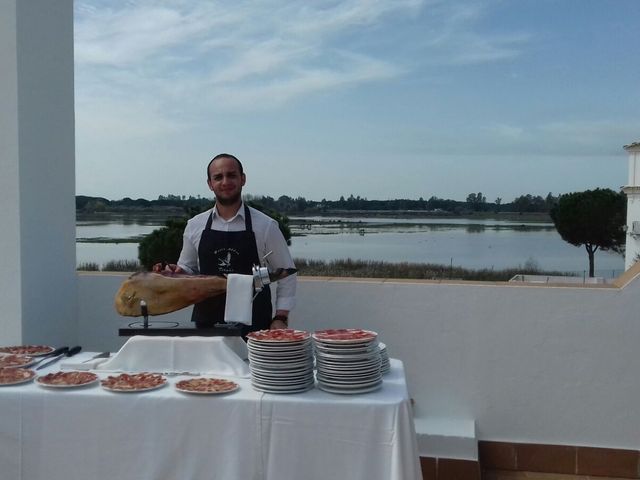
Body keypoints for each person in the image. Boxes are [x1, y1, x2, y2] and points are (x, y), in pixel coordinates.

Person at [154, 153, 296, 332]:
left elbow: (287, 274)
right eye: (218, 177)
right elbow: (189, 269)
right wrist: (176, 271)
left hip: (255, 325)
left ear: (243, 179)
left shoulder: (266, 226)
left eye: (231, 175)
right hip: (206, 324)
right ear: (210, 184)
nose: (225, 181)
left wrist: (281, 317)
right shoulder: (194, 225)